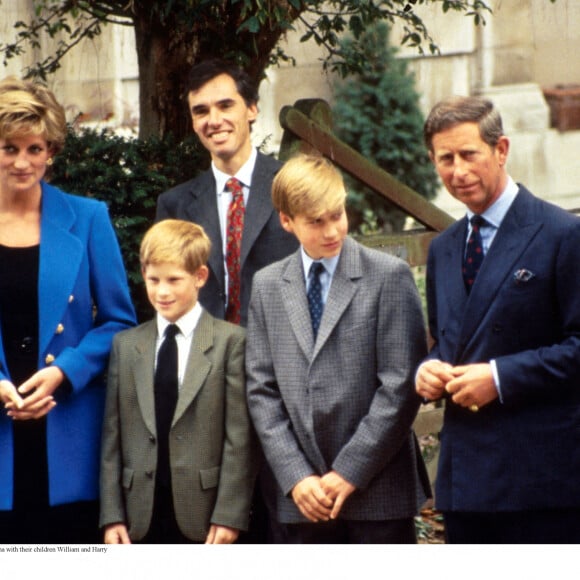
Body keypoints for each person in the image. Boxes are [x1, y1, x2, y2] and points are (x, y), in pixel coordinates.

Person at [416, 95, 580, 543]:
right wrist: (429, 369)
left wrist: (500, 377)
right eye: (445, 159)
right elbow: (452, 341)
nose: (458, 171)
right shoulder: (445, 248)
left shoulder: (562, 234)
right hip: (466, 481)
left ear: (501, 150)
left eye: (469, 154)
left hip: (542, 480)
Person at [245, 153, 430, 543]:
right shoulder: (267, 286)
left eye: (337, 214)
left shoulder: (387, 277)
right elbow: (261, 389)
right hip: (300, 498)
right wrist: (296, 475)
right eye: (316, 221)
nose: (332, 230)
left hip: (377, 491)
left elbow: (400, 386)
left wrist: (349, 471)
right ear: (286, 221)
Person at [0, 76, 136, 544]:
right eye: (9, 147)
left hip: (68, 433)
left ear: (51, 151)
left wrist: (65, 371)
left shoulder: (89, 216)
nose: (22, 162)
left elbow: (120, 321)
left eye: (35, 148)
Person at [100, 219, 257, 543]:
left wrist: (229, 515)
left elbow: (239, 439)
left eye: (174, 279)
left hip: (205, 513)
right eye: (153, 279)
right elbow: (112, 437)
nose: (162, 291)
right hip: (138, 514)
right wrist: (111, 514)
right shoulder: (126, 345)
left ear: (200, 276)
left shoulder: (231, 343)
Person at [156, 58, 298, 327]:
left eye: (225, 105)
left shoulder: (292, 186)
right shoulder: (175, 205)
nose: (214, 120)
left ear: (252, 109)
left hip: (280, 357)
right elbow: (167, 297)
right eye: (201, 111)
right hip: (205, 359)